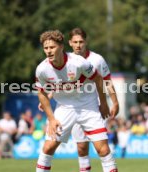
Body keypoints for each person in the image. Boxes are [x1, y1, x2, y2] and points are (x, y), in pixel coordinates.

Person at [35, 30, 117, 172]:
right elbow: (41, 93)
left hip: (88, 106)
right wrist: (51, 119)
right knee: (48, 147)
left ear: (61, 47)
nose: (48, 51)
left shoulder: (79, 62)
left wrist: (104, 103)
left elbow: (98, 79)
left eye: (52, 47)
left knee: (103, 150)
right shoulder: (42, 69)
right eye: (46, 48)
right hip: (64, 108)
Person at [68, 27, 119, 171]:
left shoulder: (97, 59)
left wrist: (114, 102)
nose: (78, 45)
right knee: (81, 149)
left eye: (81, 41)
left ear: (86, 42)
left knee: (102, 150)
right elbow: (60, 84)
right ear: (70, 43)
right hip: (73, 110)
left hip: (93, 108)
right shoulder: (66, 60)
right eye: (75, 42)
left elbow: (108, 81)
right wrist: (48, 95)